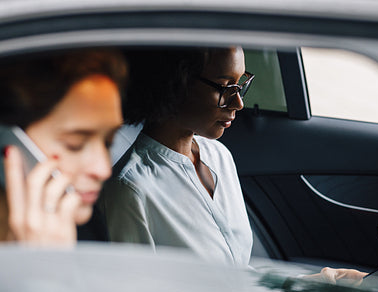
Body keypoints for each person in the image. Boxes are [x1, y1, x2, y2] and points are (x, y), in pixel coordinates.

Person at [99, 46, 253, 266]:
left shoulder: (221, 157)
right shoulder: (131, 190)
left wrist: (299, 285)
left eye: (240, 84)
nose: (238, 103)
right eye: (225, 87)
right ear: (175, 84)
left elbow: (238, 274)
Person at [0, 49, 128, 245]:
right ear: (8, 140)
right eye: (74, 145)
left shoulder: (89, 228)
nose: (103, 170)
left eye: (108, 142)